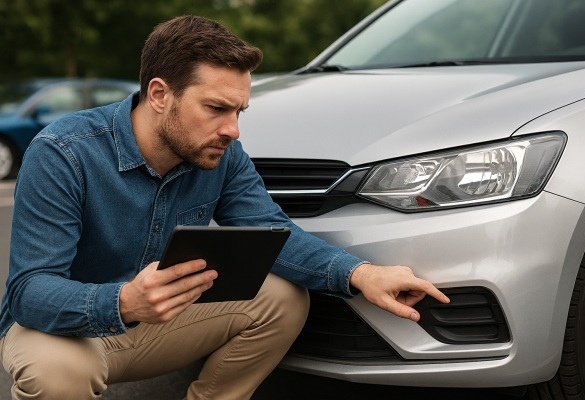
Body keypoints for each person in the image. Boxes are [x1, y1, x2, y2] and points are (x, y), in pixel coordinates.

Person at [0, 15, 449, 400]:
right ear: (159, 95)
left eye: (239, 111)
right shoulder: (64, 152)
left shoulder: (220, 154)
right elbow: (29, 292)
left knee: (282, 297)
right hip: (67, 334)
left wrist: (362, 274)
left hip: (153, 327)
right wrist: (123, 301)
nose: (232, 130)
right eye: (216, 108)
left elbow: (273, 232)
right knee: (55, 374)